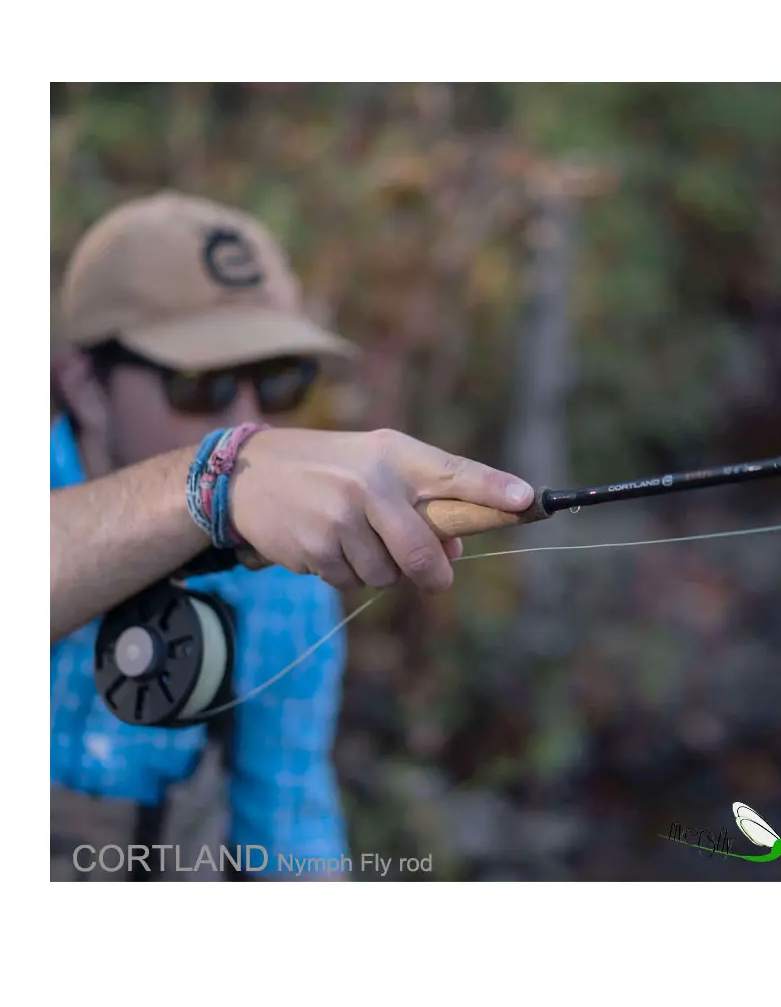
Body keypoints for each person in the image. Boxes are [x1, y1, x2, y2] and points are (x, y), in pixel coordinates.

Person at [50, 190, 534, 881]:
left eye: (278, 380)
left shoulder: (288, 587)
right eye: (201, 384)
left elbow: (287, 836)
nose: (250, 421)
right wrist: (214, 482)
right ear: (85, 383)